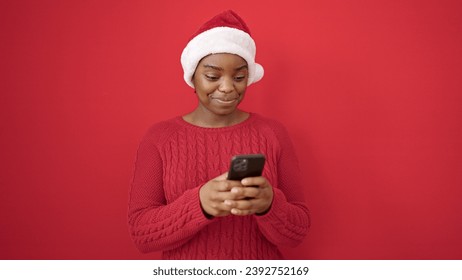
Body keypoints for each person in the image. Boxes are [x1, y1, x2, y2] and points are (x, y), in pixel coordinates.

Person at [128, 10, 310, 260]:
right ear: (192, 76)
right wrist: (199, 204)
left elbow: (298, 232)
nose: (227, 88)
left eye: (239, 77)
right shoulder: (159, 138)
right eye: (213, 76)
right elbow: (141, 233)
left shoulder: (273, 133)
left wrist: (270, 205)